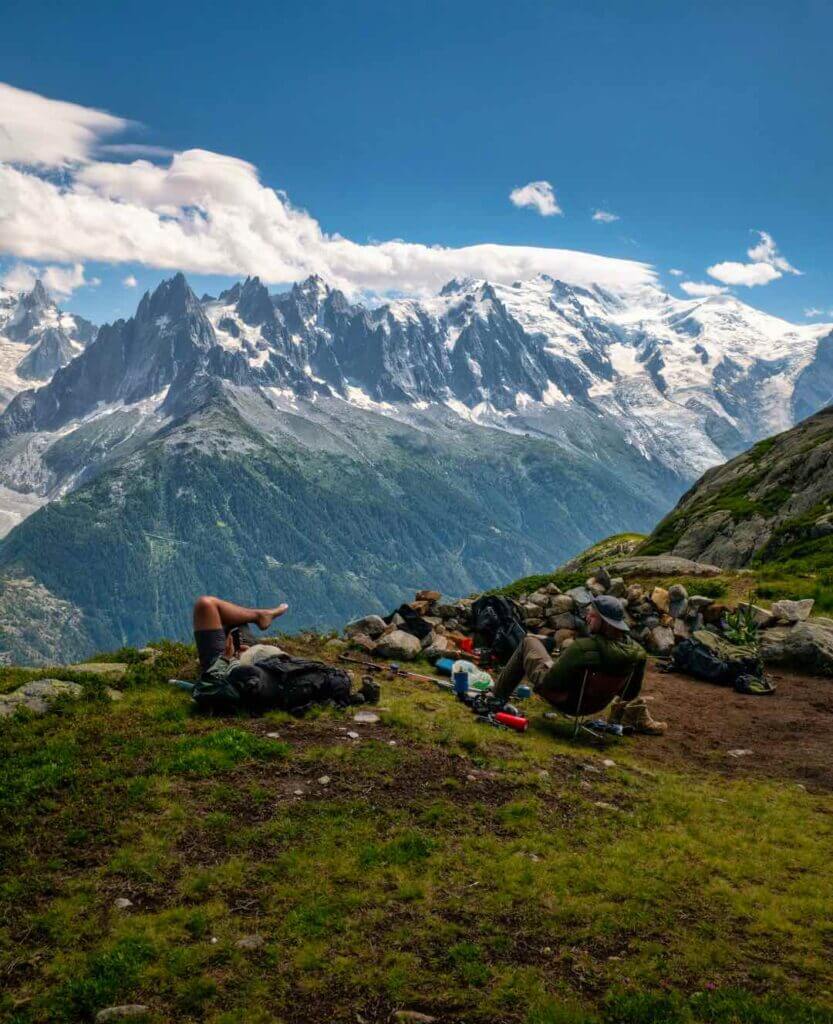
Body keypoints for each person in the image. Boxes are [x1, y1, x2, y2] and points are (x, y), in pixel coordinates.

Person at [493, 594, 666, 735]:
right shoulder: (638, 653)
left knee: (529, 642)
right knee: (561, 648)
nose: (587, 618)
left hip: (567, 702)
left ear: (604, 622)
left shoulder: (583, 648)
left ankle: (496, 698)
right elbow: (629, 693)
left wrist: (552, 667)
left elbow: (551, 683)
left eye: (592, 615)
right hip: (595, 705)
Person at [192, 594, 289, 673]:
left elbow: (208, 686)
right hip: (257, 659)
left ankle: (259, 616)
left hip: (230, 671)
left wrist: (226, 658)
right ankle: (260, 616)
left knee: (206, 605)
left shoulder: (226, 687)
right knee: (236, 622)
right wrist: (247, 654)